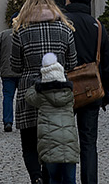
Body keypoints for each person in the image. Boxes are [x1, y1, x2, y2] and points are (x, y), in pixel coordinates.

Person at [11, 0, 77, 184]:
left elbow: (15, 66)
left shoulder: (20, 30)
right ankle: (47, 176)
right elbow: (72, 63)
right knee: (52, 139)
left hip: (29, 89)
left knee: (29, 142)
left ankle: (36, 177)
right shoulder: (65, 29)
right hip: (57, 87)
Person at [63, 0, 109, 184]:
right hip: (92, 90)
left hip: (67, 89)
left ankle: (68, 180)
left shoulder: (63, 23)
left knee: (65, 140)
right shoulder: (98, 26)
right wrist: (107, 94)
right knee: (89, 143)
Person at [24, 52, 79, 184]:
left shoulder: (41, 96)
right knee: (70, 179)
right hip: (69, 143)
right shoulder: (69, 95)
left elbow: (28, 96)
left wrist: (37, 84)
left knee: (54, 179)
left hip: (49, 145)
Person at [0, 14, 21, 133]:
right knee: (22, 97)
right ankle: (23, 121)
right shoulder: (25, 34)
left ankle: (8, 121)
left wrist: (2, 66)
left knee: (7, 97)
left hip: (7, 72)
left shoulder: (3, 35)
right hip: (22, 71)